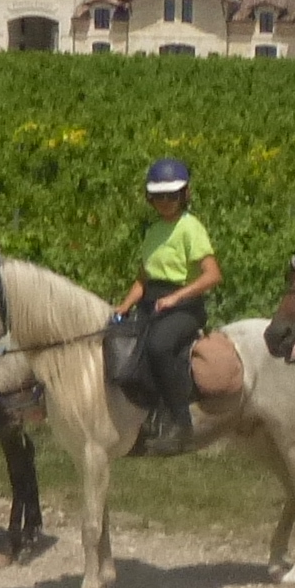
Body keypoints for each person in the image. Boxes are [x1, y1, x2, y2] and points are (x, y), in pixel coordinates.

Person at [113, 156, 219, 454]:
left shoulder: (190, 228)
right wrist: (123, 307)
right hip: (153, 304)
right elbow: (143, 278)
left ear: (184, 195)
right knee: (125, 346)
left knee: (158, 345)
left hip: (185, 307)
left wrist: (176, 297)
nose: (164, 202)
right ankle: (143, 422)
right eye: (158, 197)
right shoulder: (153, 231)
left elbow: (212, 275)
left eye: (171, 196)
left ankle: (182, 424)